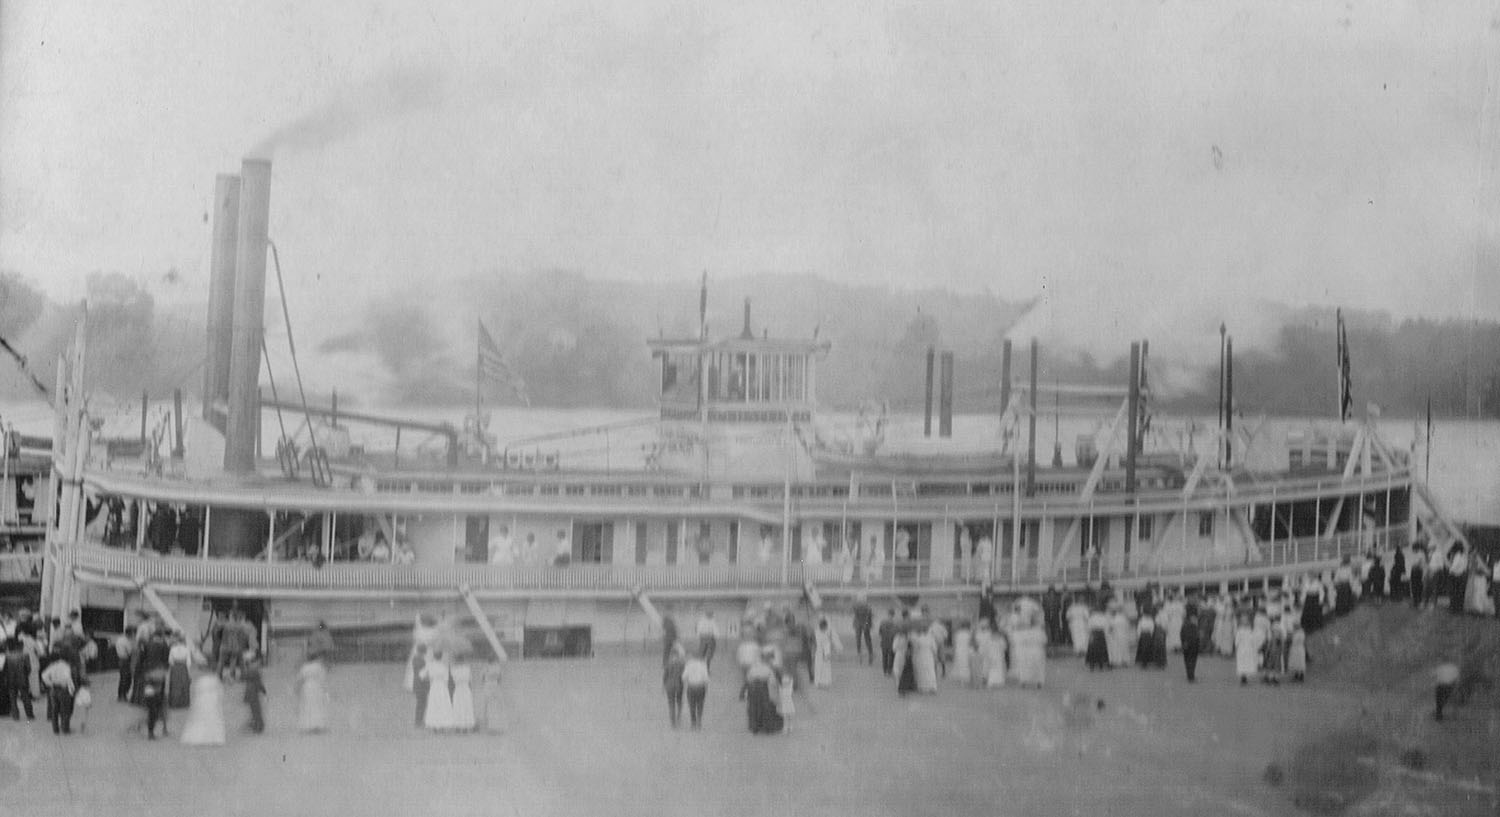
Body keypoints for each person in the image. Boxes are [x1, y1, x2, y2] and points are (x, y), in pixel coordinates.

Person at [181, 670, 227, 746]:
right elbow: (220, 692)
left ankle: (200, 736)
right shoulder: (214, 680)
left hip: (203, 699)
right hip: (211, 699)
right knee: (211, 716)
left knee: (201, 716)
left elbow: (194, 691)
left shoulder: (201, 680)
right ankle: (212, 737)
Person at [744, 657, 783, 735]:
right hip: (764, 689)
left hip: (753, 689)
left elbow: (748, 679)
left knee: (753, 707)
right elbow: (773, 681)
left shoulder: (752, 669)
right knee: (766, 707)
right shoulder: (768, 669)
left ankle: (754, 727)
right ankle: (768, 727)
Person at [42, 653, 76, 735]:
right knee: (65, 710)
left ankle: (55, 729)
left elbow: (44, 675)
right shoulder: (65, 666)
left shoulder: (52, 666)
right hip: (63, 689)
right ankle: (65, 728)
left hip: (53, 689)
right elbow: (68, 678)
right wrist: (72, 689)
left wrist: (50, 683)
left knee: (54, 710)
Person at [295, 656, 330, 733]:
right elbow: (323, 678)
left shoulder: (304, 667)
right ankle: (318, 724)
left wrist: (297, 689)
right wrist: (325, 689)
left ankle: (308, 725)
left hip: (307, 687)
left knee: (307, 706)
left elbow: (300, 678)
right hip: (317, 687)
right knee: (318, 706)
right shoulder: (319, 667)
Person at [422, 651, 454, 732]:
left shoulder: (430, 665)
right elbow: (446, 679)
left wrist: (429, 678)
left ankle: (434, 725)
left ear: (434, 656)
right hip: (442, 686)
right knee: (443, 705)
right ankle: (442, 724)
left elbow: (421, 675)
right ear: (441, 657)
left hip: (434, 686)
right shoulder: (444, 666)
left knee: (434, 704)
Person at [4, 639, 33, 720]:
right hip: (23, 679)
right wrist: (26, 675)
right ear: (21, 646)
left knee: (13, 699)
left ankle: (16, 715)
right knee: (25, 697)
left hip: (11, 679)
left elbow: (6, 669)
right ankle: (29, 714)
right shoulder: (25, 655)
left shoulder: (8, 656)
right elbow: (29, 668)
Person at [812, 617, 842, 688]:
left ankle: (821, 682)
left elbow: (814, 643)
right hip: (821, 651)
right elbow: (826, 644)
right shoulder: (821, 633)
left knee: (822, 666)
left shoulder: (819, 632)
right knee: (822, 666)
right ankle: (821, 682)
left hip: (821, 651)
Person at [683, 649, 710, 729]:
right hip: (701, 687)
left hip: (691, 686)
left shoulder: (688, 664)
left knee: (692, 705)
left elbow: (684, 677)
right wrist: (706, 687)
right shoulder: (703, 665)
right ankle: (699, 721)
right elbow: (706, 678)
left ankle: (693, 722)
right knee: (700, 705)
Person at [450, 656, 476, 732]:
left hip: (458, 688)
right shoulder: (467, 669)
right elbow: (470, 680)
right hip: (466, 688)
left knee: (458, 706)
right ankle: (465, 726)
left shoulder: (454, 670)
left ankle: (458, 725)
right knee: (466, 706)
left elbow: (453, 680)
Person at [243, 650, 267, 734]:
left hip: (249, 691)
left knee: (254, 709)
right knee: (256, 709)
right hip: (254, 691)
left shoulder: (248, 670)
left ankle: (255, 724)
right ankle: (258, 725)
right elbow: (258, 682)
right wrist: (263, 690)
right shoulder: (254, 670)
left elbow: (244, 677)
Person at [1234, 616, 1263, 685]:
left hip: (1242, 649)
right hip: (1248, 649)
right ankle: (1244, 676)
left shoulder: (1240, 631)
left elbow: (1237, 641)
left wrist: (1236, 647)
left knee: (1242, 663)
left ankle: (1243, 676)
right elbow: (1254, 640)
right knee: (1246, 662)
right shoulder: (1250, 631)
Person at [663, 642, 686, 728]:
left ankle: (673, 722)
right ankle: (679, 716)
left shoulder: (668, 664)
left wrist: (664, 685)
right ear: (678, 656)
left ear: (671, 656)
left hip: (669, 686)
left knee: (671, 704)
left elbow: (665, 676)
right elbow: (684, 676)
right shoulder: (682, 664)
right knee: (679, 701)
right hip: (679, 685)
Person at [167, 633, 192, 710]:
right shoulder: (186, 649)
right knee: (184, 685)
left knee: (175, 685)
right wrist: (189, 673)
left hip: (175, 668)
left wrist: (173, 666)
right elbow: (188, 662)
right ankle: (183, 703)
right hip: (183, 668)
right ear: (184, 641)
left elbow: (170, 660)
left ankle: (174, 703)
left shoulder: (173, 649)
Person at [911, 625, 938, 694]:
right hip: (929, 656)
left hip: (920, 656)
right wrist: (935, 657)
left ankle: (922, 687)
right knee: (930, 671)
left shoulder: (918, 639)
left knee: (922, 671)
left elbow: (915, 650)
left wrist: (914, 657)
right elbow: (934, 649)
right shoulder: (931, 639)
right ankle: (932, 687)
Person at [113, 626, 135, 702]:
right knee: (127, 679)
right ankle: (123, 695)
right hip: (126, 660)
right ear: (129, 633)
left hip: (120, 659)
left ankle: (120, 695)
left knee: (122, 678)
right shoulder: (126, 641)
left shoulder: (119, 639)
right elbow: (130, 652)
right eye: (132, 633)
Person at [1085, 607, 1110, 671]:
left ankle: (1092, 665)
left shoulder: (1092, 618)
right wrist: (1106, 635)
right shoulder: (1103, 617)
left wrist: (1089, 635)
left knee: (1093, 649)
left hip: (1094, 633)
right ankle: (1100, 665)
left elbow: (1088, 627)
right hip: (1100, 633)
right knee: (1100, 648)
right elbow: (1106, 626)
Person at [411, 644, 430, 728]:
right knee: (421, 703)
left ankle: (418, 720)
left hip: (416, 683)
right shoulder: (421, 660)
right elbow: (422, 674)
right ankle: (419, 721)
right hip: (421, 684)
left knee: (420, 703)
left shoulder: (415, 658)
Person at [852, 595, 874, 666]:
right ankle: (869, 654)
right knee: (866, 639)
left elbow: (856, 615)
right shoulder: (868, 606)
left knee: (859, 639)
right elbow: (869, 617)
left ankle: (860, 654)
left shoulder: (857, 606)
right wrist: (867, 624)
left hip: (859, 624)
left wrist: (865, 624)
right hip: (863, 624)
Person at [1180, 610, 1201, 683]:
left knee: (1187, 661)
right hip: (1192, 646)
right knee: (1192, 661)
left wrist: (1183, 644)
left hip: (1187, 646)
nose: (1195, 620)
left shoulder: (1185, 625)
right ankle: (1191, 677)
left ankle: (1190, 675)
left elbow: (1181, 635)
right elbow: (1197, 637)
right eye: (1194, 618)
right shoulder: (1194, 627)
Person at [951, 620, 973, 685]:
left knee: (959, 664)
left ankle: (960, 678)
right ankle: (965, 678)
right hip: (966, 651)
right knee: (966, 664)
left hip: (959, 650)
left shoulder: (957, 633)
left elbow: (954, 643)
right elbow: (970, 643)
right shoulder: (969, 633)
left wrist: (954, 651)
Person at [776, 660, 796, 733]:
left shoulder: (787, 678)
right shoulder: (787, 677)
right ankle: (788, 726)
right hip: (785, 696)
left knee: (786, 713)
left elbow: (784, 684)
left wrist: (779, 684)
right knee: (787, 713)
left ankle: (787, 727)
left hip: (786, 697)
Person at [877, 610, 897, 676]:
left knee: (884, 657)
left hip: (884, 642)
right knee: (891, 657)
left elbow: (880, 632)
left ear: (888, 614)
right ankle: (889, 671)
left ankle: (884, 671)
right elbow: (897, 633)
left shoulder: (882, 622)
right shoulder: (895, 623)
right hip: (892, 642)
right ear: (893, 615)